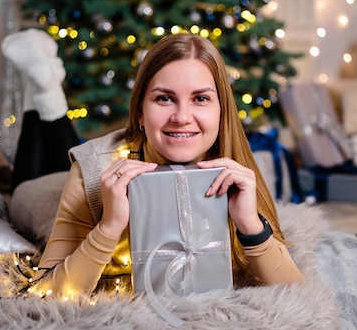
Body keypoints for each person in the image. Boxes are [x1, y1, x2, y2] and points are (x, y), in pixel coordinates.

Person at [32, 33, 305, 297]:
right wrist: (109, 227)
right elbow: (46, 294)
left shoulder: (235, 169)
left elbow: (298, 297)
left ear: (221, 111)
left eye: (201, 98)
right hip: (40, 196)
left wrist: (250, 225)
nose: (182, 117)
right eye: (164, 98)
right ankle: (41, 98)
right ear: (140, 112)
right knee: (24, 183)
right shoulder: (92, 169)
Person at [1, 28, 80, 191]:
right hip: (63, 201)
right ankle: (47, 85)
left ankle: (42, 82)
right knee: (76, 183)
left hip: (28, 199)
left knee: (24, 191)